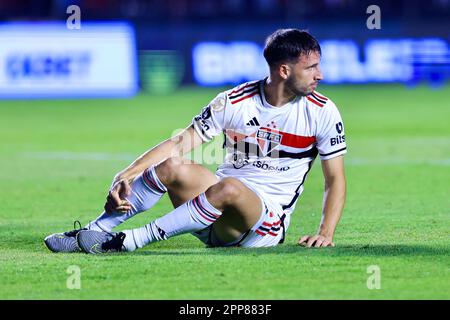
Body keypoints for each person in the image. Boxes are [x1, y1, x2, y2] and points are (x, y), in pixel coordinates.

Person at [44, 28, 347, 254]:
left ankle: (127, 242)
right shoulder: (233, 101)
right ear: (284, 70)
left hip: (262, 225)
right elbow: (179, 142)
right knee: (173, 166)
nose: (319, 74)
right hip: (210, 208)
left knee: (228, 187)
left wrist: (326, 232)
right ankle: (94, 231)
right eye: (311, 67)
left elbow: (335, 180)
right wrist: (127, 174)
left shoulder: (322, 111)